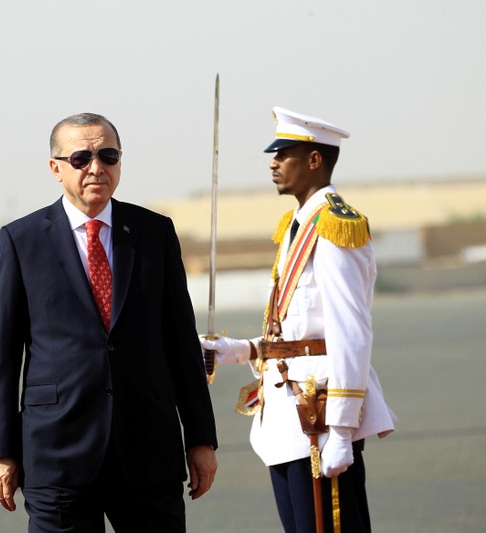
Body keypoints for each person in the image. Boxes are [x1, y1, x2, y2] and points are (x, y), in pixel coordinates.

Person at [0, 112, 218, 532]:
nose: (96, 168)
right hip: (58, 456)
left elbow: (181, 344)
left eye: (108, 155)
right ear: (55, 168)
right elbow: (2, 356)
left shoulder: (153, 233)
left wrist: (201, 439)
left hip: (148, 452)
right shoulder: (22, 240)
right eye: (81, 158)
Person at [200, 107, 396, 532]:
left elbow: (349, 332)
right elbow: (297, 328)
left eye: (283, 153)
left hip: (319, 419)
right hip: (289, 417)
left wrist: (342, 429)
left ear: (314, 160)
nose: (273, 162)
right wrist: (242, 350)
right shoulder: (296, 225)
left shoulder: (332, 225)